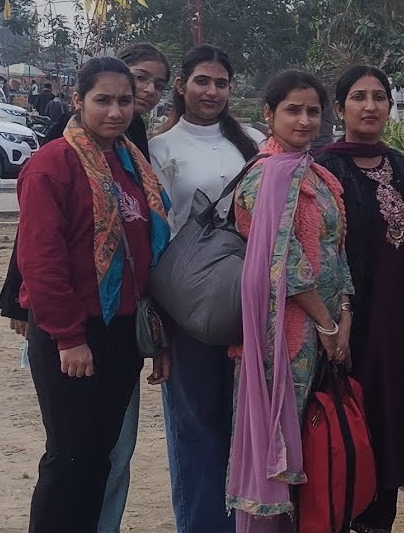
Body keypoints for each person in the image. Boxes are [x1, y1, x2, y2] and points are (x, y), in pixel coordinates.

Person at [0, 42, 170, 533]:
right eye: (103, 100)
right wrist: (69, 337)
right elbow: (41, 258)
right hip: (70, 334)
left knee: (99, 458)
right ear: (78, 100)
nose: (115, 111)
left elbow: (145, 254)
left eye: (124, 101)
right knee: (69, 458)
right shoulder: (54, 164)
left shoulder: (131, 162)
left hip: (119, 331)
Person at [226, 70, 354, 530]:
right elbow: (289, 265)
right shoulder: (266, 176)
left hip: (324, 333)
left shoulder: (317, 175)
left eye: (313, 111)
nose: (304, 121)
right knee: (278, 453)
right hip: (281, 338)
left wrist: (345, 315)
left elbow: (337, 254)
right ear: (269, 114)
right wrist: (326, 324)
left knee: (312, 448)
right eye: (292, 110)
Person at [149, 45, 263, 532]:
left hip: (250, 302)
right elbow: (156, 231)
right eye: (201, 81)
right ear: (181, 86)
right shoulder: (159, 149)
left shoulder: (255, 142)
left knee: (247, 425)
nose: (211, 91)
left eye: (220, 83)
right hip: (187, 304)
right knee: (195, 425)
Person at [316, 66, 404, 532]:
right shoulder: (324, 165)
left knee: (388, 426)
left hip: (396, 321)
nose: (370, 106)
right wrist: (336, 318)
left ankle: (378, 523)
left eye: (379, 96)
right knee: (348, 423)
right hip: (347, 323)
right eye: (358, 97)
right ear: (340, 108)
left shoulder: (398, 163)